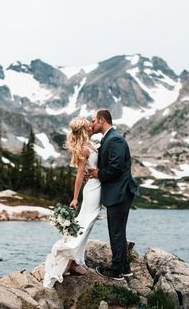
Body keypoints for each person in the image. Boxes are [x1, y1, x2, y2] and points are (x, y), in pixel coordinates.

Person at [43, 116, 101, 288]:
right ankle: (72, 261)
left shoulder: (91, 144)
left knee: (87, 224)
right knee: (85, 223)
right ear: (84, 129)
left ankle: (78, 260)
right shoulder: (83, 149)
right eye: (88, 124)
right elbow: (79, 175)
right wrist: (75, 198)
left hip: (97, 187)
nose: (92, 125)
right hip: (91, 189)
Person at [88, 109, 139, 280]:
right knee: (119, 231)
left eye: (94, 120)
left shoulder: (115, 139)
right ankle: (125, 268)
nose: (92, 124)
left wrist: (98, 174)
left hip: (120, 192)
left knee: (116, 232)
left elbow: (115, 168)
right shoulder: (109, 138)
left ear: (102, 120)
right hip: (117, 192)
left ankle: (116, 271)